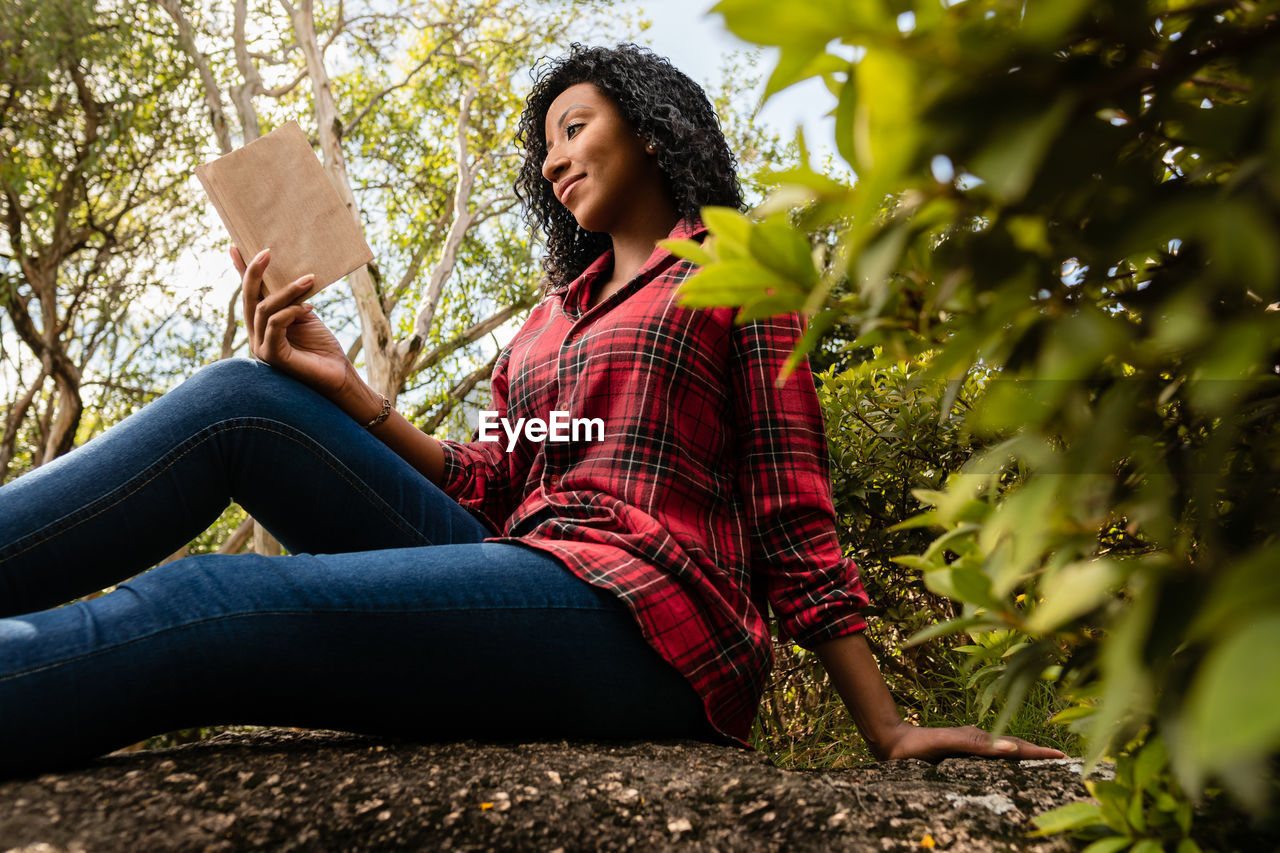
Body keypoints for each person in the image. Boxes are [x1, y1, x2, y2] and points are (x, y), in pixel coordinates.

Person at [0, 44, 1064, 777]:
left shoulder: (737, 273)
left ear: (650, 129)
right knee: (243, 395)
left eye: (572, 128)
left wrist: (885, 726)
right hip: (524, 566)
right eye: (542, 149)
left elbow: (789, 506)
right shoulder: (554, 319)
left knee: (203, 602)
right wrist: (352, 393)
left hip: (642, 621)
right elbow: (487, 480)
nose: (552, 162)